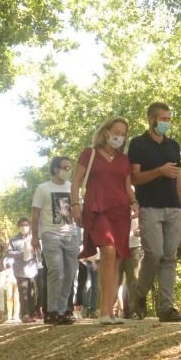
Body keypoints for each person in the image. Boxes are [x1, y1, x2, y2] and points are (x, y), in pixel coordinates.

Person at [71, 116, 137, 325]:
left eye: (123, 133)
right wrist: (75, 205)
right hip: (97, 209)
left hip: (121, 211)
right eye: (116, 131)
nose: (119, 136)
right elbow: (76, 182)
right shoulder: (89, 154)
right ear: (106, 132)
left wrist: (134, 202)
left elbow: (127, 188)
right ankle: (103, 311)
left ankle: (110, 311)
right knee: (107, 251)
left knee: (117, 258)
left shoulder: (124, 159)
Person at [129, 102, 181, 322]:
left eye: (169, 119)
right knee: (154, 254)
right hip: (150, 206)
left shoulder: (173, 145)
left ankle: (166, 308)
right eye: (163, 119)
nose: (166, 123)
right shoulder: (137, 144)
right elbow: (134, 178)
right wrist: (159, 171)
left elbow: (178, 178)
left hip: (173, 207)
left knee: (170, 258)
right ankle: (139, 294)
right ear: (151, 119)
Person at [31, 156, 78, 325]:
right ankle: (50, 311)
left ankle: (63, 310)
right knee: (56, 271)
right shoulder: (43, 188)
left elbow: (79, 211)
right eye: (65, 167)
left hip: (70, 234)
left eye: (70, 168)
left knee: (70, 273)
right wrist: (35, 236)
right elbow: (35, 214)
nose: (68, 171)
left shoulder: (73, 188)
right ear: (55, 169)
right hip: (50, 234)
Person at [7, 217, 39, 323]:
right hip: (20, 270)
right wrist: (20, 253)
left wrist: (34, 251)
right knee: (23, 292)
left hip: (33, 269)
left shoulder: (34, 238)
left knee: (33, 292)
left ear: (29, 226)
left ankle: (33, 313)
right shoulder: (13, 240)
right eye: (22, 225)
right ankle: (25, 314)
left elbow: (40, 250)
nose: (24, 227)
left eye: (26, 225)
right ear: (18, 227)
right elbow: (9, 253)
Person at [118, 205, 144, 318]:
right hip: (117, 247)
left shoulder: (139, 205)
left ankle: (134, 310)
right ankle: (111, 310)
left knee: (133, 280)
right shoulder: (115, 203)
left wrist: (141, 231)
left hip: (134, 246)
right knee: (115, 280)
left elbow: (148, 223)